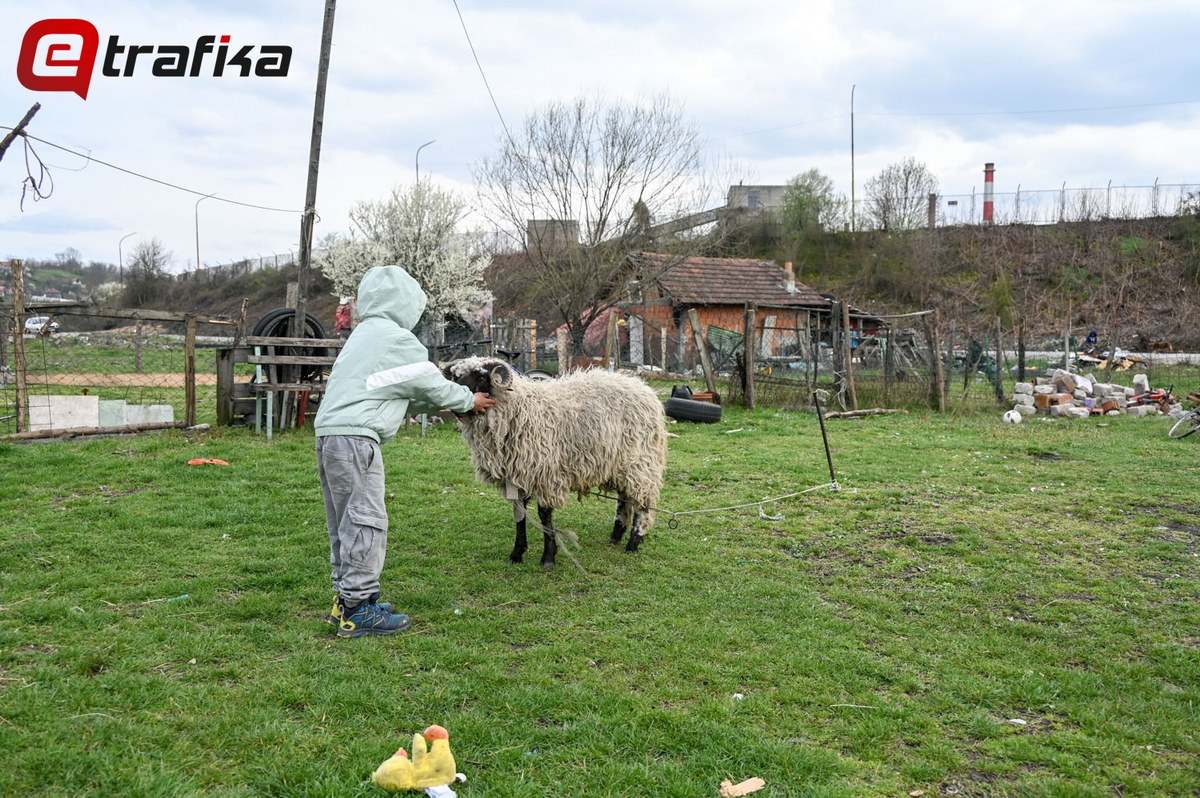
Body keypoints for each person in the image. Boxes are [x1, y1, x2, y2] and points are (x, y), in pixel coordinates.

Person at [314, 265, 494, 638]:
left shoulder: (364, 336)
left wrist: (447, 407)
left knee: (345, 523)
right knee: (366, 520)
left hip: (331, 437)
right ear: (408, 303)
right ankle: (359, 611)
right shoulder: (396, 339)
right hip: (356, 441)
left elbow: (393, 393)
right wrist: (466, 400)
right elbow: (429, 384)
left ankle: (347, 599)